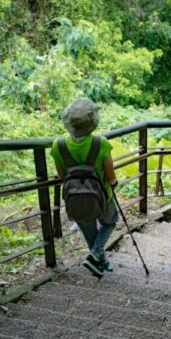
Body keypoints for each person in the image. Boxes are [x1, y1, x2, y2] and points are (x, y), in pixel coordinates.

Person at [50, 98, 118, 278]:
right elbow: (111, 177)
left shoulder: (59, 145)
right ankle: (96, 256)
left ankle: (98, 261)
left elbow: (62, 177)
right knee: (110, 221)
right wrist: (112, 183)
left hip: (75, 198)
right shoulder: (100, 143)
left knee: (90, 232)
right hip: (102, 197)